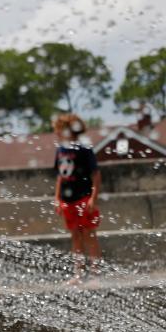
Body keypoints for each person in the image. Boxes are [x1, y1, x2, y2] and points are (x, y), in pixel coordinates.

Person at [53, 113, 102, 283]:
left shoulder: (84, 148)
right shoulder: (60, 150)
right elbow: (60, 176)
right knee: (75, 235)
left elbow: (95, 175)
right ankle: (78, 274)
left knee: (89, 233)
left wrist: (92, 199)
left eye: (60, 130)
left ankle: (96, 273)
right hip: (68, 201)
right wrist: (57, 198)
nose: (57, 133)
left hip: (83, 197)